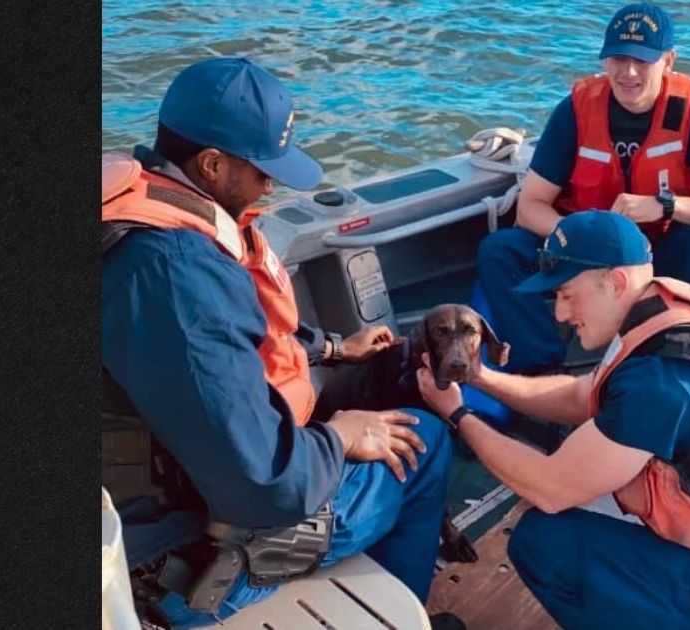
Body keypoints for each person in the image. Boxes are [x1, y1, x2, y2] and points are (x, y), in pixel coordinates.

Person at [101, 57, 456, 629]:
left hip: (149, 485)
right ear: (212, 164)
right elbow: (264, 485)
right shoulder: (177, 273)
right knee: (427, 442)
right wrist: (340, 437)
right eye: (263, 170)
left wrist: (334, 349)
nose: (271, 186)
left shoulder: (138, 209)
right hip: (172, 552)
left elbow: (225, 347)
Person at [418, 211, 690, 629]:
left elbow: (551, 487)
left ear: (614, 282)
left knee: (544, 542)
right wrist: (481, 378)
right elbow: (582, 395)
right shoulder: (669, 316)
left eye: (565, 294)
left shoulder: (662, 383)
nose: (558, 314)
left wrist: (457, 412)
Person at [474, 3, 690, 375]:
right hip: (586, 256)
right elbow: (530, 207)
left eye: (642, 61)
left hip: (662, 253)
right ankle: (541, 374)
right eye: (618, 59)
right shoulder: (576, 112)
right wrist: (581, 241)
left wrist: (666, 206)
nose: (628, 73)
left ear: (668, 61)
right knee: (499, 251)